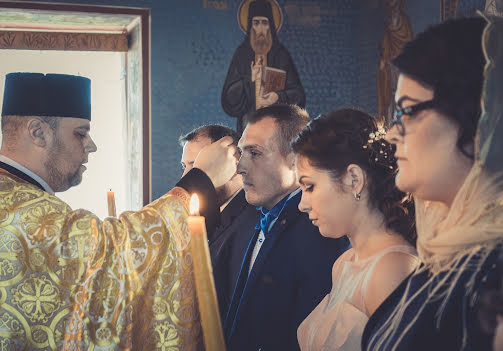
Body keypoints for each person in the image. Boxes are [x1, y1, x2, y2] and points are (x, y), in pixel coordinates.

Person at [0, 72, 238, 350]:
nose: (91, 145)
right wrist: (198, 180)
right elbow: (113, 252)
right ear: (38, 132)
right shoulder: (18, 211)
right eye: (80, 133)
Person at [361, 16, 503, 350]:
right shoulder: (444, 253)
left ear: (480, 118)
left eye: (407, 111)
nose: (393, 134)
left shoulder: (494, 276)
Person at [223, 104, 350, 351]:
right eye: (241, 153)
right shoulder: (255, 218)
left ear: (295, 161)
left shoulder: (318, 232)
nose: (240, 167)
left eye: (255, 153)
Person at [293, 109, 418, 351]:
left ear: (354, 179)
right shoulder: (343, 263)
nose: (301, 204)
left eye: (309, 186)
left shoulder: (392, 270)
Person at [179, 124, 259, 319]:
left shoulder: (252, 220)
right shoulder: (200, 216)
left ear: (232, 164)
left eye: (197, 166)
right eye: (185, 167)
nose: (186, 177)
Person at [221, 0, 305, 134]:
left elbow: (298, 95)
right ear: (250, 25)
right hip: (247, 127)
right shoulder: (242, 54)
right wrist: (249, 79)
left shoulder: (281, 54)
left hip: (276, 129)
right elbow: (228, 99)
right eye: (256, 23)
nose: (260, 29)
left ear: (270, 25)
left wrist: (278, 97)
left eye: (264, 23)